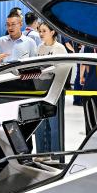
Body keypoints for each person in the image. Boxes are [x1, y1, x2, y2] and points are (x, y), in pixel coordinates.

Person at [33, 21, 67, 152]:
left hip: (55, 89)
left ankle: (56, 155)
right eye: (40, 31)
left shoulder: (60, 48)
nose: (41, 34)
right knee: (40, 124)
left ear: (52, 32)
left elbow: (64, 69)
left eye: (44, 31)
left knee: (54, 124)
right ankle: (41, 154)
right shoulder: (39, 48)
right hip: (40, 89)